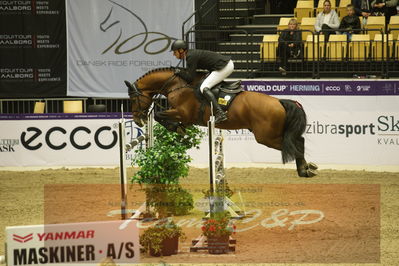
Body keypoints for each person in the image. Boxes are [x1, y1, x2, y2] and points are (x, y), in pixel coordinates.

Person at [170, 40, 233, 123]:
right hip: (220, 66)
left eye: (175, 52)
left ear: (181, 50)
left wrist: (179, 72)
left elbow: (190, 78)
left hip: (224, 67)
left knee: (203, 88)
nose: (173, 54)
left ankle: (220, 112)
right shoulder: (190, 55)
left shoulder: (190, 57)